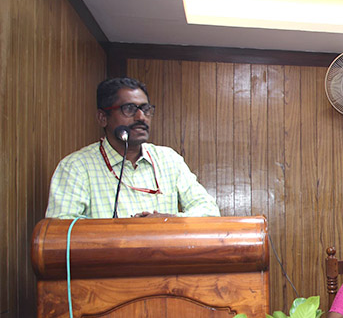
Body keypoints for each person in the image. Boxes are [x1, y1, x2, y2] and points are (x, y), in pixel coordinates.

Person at [45, 77, 219, 219]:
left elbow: (209, 211)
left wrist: (170, 220)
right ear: (102, 117)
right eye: (129, 109)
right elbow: (62, 231)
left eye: (145, 109)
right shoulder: (76, 167)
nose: (141, 117)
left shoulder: (168, 159)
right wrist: (125, 233)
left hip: (163, 260)